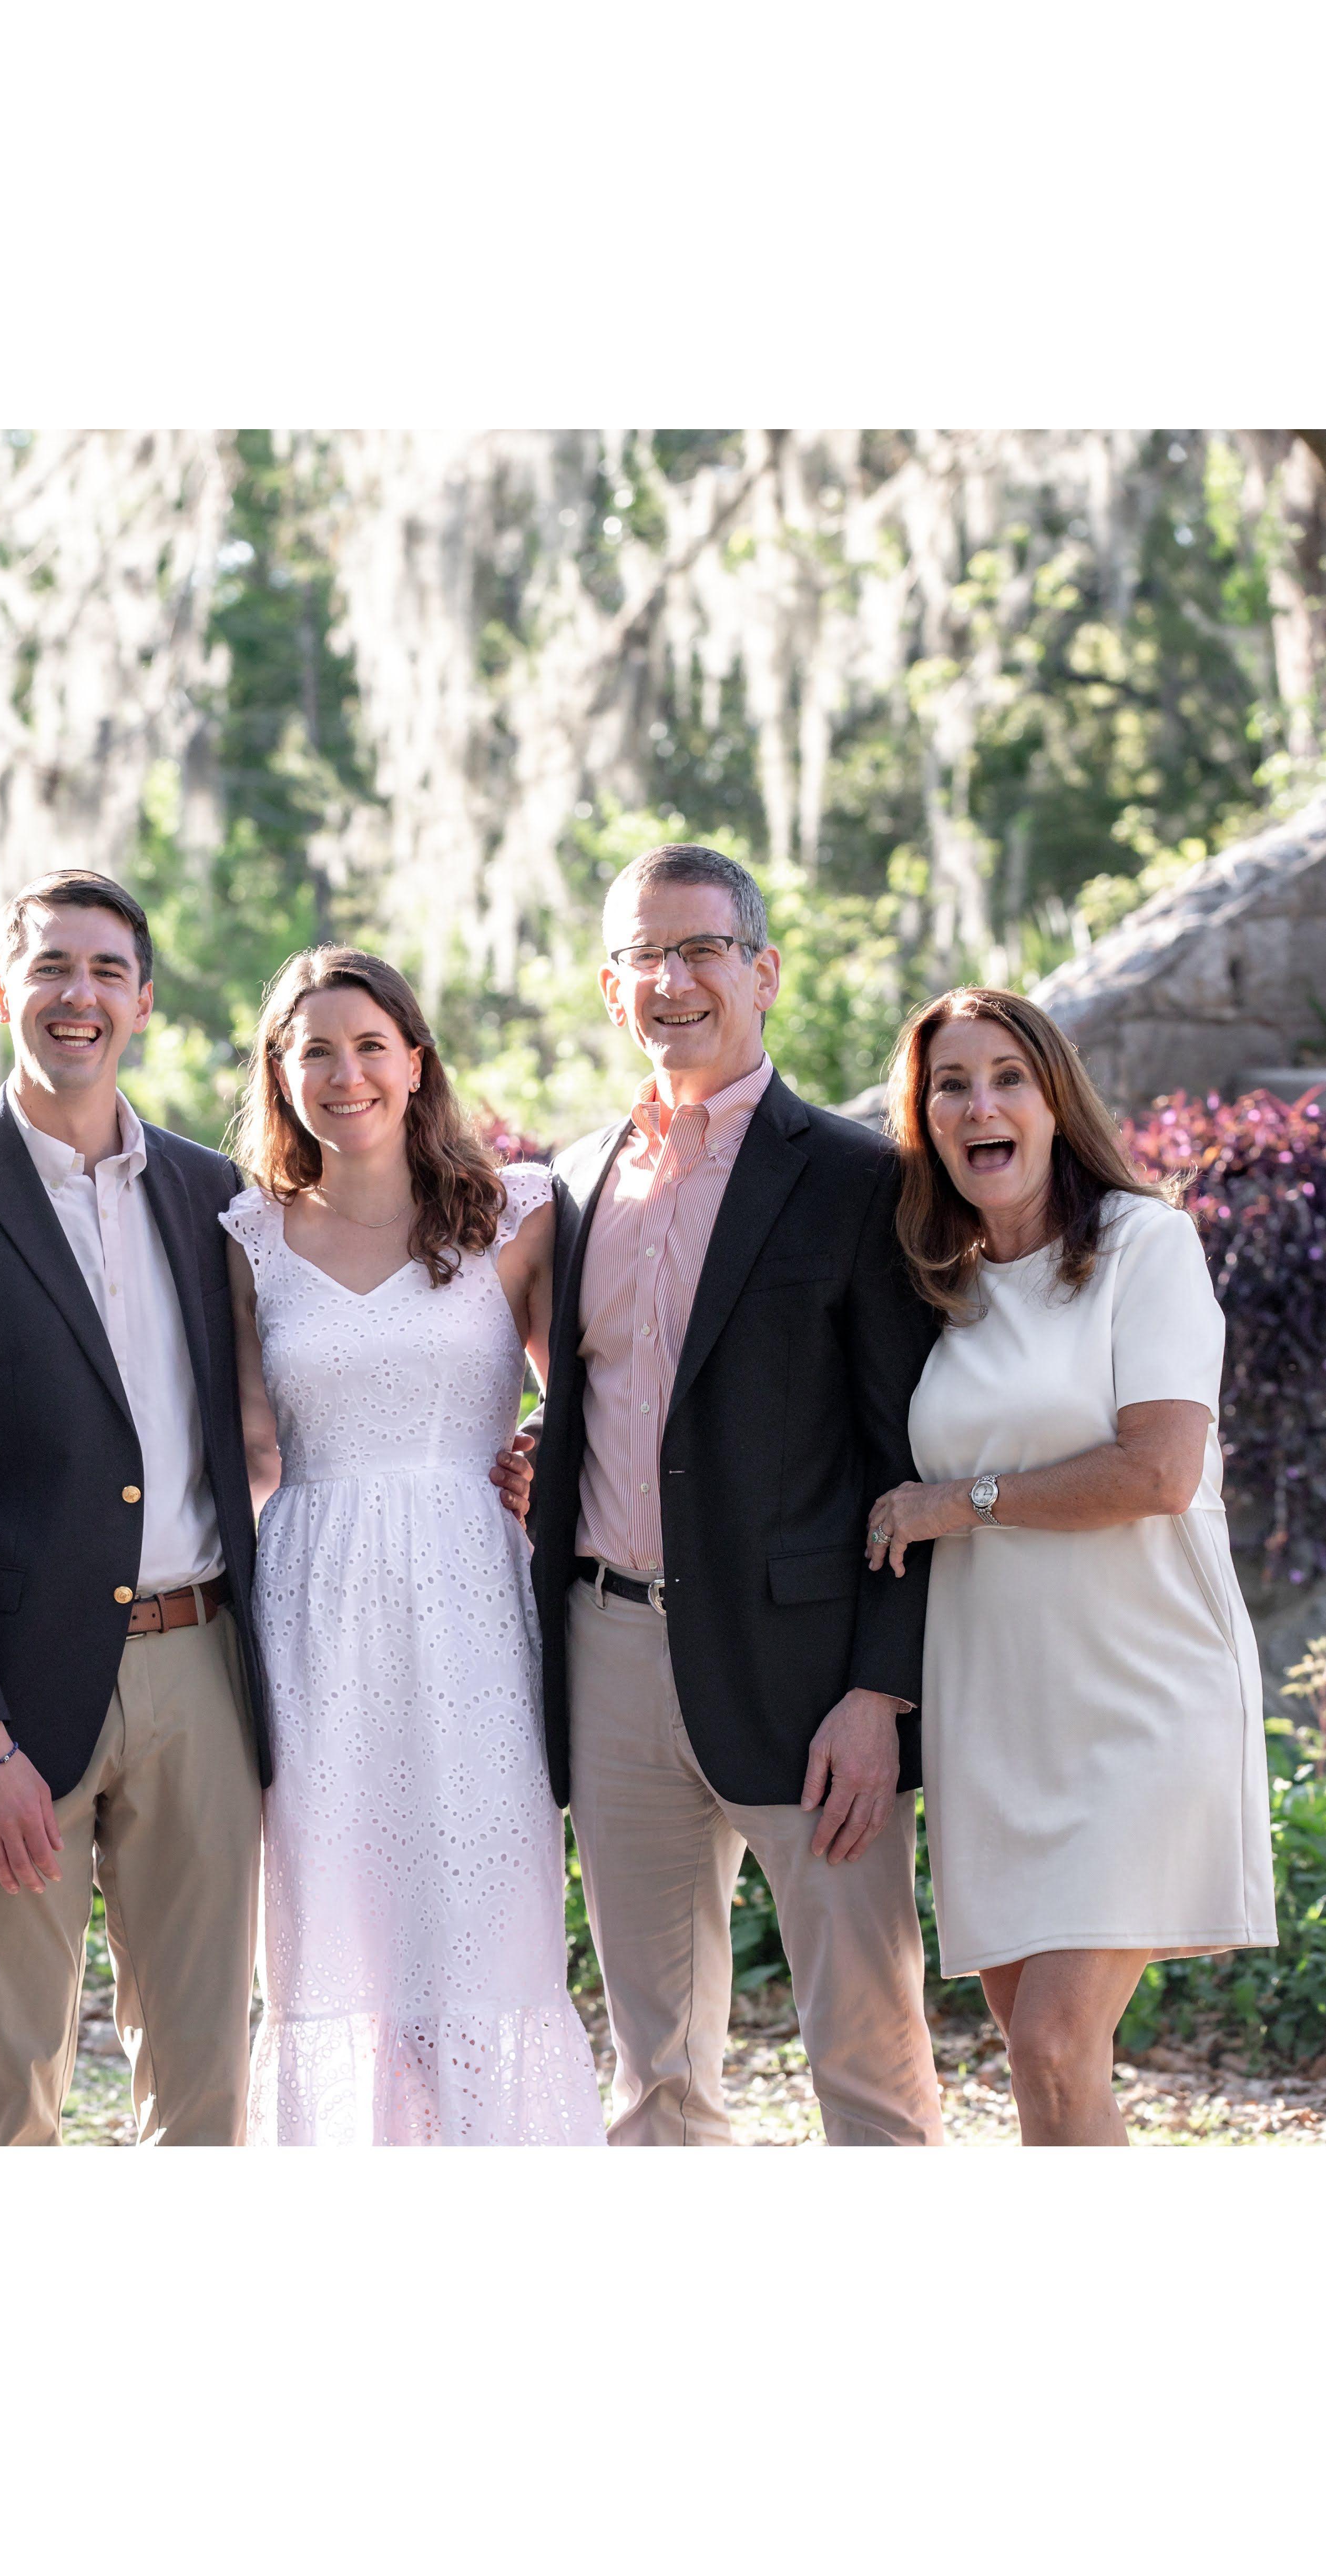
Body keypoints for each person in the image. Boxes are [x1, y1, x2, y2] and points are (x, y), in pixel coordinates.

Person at [0, 868, 269, 2146]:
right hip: (8, 1699)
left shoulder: (213, 1192)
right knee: (9, 2079)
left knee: (205, 2071)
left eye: (105, 971)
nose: (78, 996)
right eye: (51, 968)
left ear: (142, 1001)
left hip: (202, 1665)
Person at [527, 842, 946, 2146]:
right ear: (611, 989)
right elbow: (604, 1400)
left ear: (762, 972)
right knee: (653, 2070)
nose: (673, 980)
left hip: (808, 1675)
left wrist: (881, 1695)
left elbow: (909, 1455)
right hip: (609, 1650)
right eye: (644, 955)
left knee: (866, 2053)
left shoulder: (860, 1178)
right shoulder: (574, 1181)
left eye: (701, 948)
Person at [865, 989, 1275, 2145]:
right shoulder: (935, 1286)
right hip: (995, 1716)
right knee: (1044, 2060)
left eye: (1009, 1078)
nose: (979, 1106)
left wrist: (957, 1502)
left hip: (1144, 1699)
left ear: (1055, 1103)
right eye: (950, 1085)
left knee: (1052, 2040)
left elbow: (1158, 1471)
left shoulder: (1147, 1245)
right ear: (924, 1120)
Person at [219, 947, 603, 2145]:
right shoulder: (247, 1236)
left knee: (482, 1923)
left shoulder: (515, 1212)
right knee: (338, 1931)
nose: (346, 1075)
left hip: (470, 1595)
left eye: (370, 1046)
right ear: (281, 1073)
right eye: (315, 1051)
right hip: (314, 1606)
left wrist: (537, 1447)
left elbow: (594, 1396)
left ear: (416, 1062)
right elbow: (243, 1450)